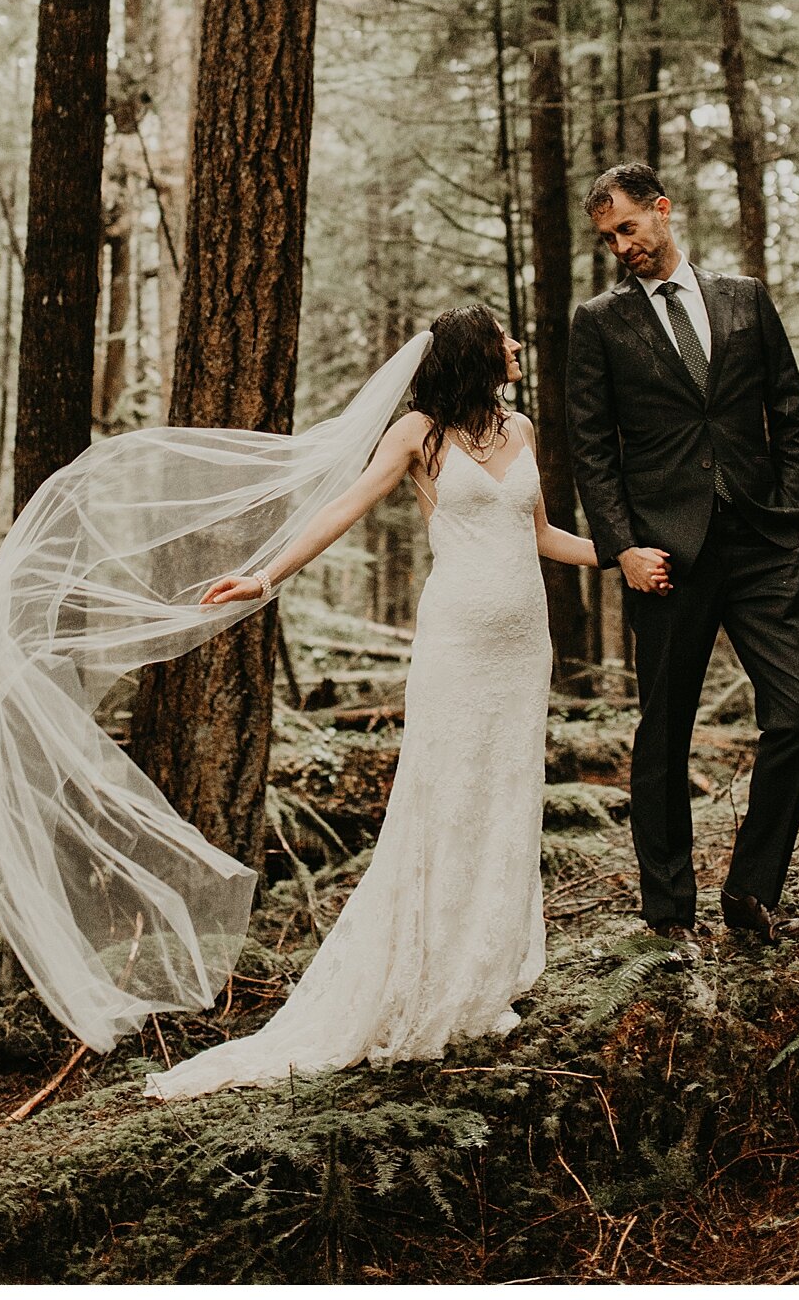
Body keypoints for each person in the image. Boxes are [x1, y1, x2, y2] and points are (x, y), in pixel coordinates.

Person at [144, 303, 613, 1099]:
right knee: (446, 800)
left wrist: (619, 556)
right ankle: (423, 977)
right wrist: (265, 576)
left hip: (520, 650)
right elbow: (341, 507)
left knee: (506, 796)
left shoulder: (522, 429)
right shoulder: (418, 435)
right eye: (503, 337)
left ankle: (481, 977)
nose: (516, 344)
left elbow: (541, 534)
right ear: (474, 352)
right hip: (457, 645)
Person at [566, 161, 799, 950]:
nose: (620, 246)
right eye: (607, 238)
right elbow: (591, 451)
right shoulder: (599, 322)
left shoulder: (743, 297)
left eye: (627, 227)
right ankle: (667, 909)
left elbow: (788, 410)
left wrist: (787, 512)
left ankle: (751, 889)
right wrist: (622, 549)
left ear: (662, 209)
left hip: (761, 543)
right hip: (665, 559)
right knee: (664, 732)